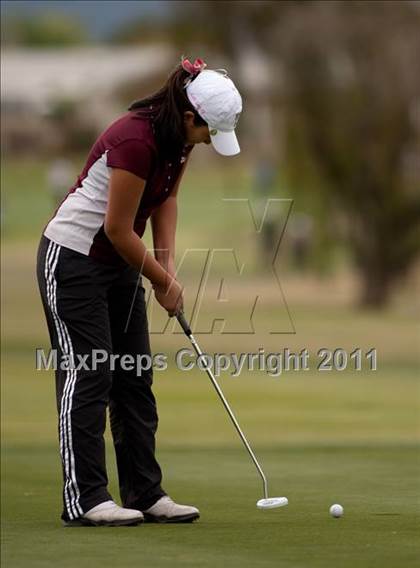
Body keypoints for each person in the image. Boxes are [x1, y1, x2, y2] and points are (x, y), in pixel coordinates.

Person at [36, 57, 243, 526]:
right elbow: (115, 229)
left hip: (117, 262)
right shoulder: (135, 139)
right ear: (191, 116)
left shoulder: (178, 137)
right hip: (73, 259)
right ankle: (86, 499)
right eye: (209, 132)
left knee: (134, 376)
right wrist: (160, 280)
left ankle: (144, 492)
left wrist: (167, 268)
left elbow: (166, 198)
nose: (209, 141)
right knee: (90, 373)